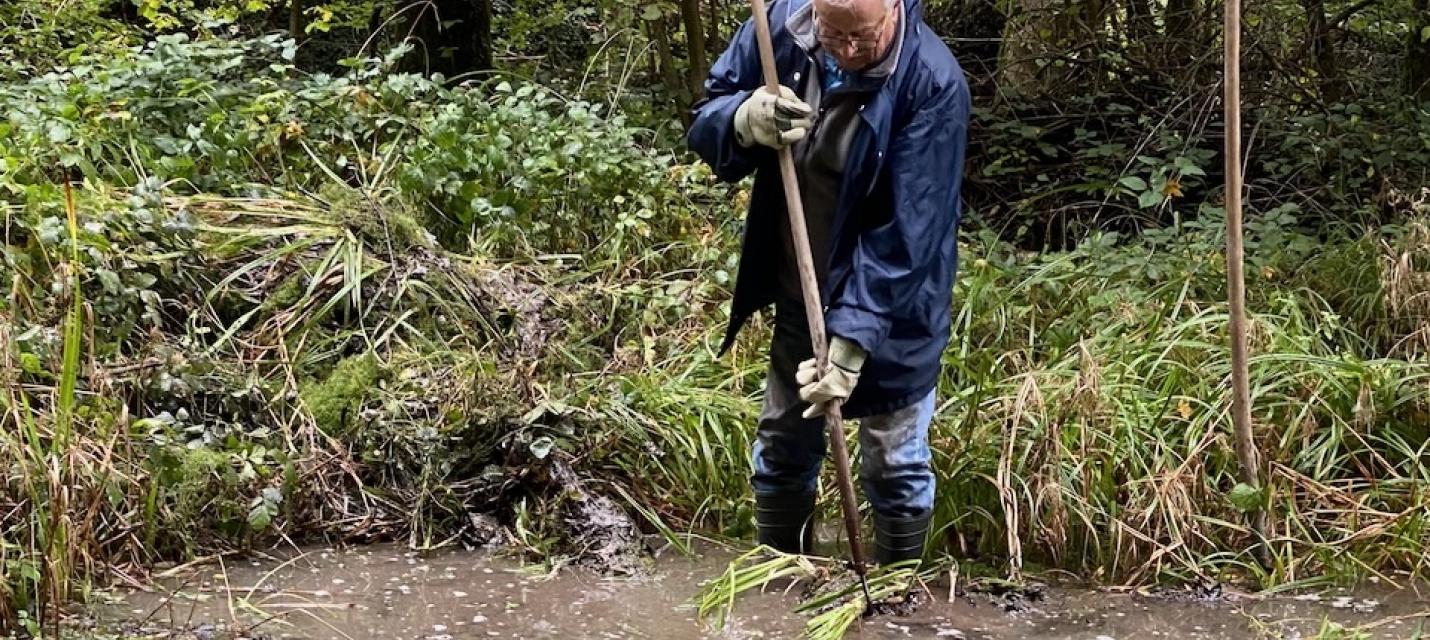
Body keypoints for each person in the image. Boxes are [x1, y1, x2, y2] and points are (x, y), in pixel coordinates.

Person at [685, 0, 971, 566]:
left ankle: (894, 594)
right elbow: (705, 115)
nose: (843, 49)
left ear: (894, 9)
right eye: (832, 32)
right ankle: (778, 586)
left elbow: (908, 234)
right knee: (785, 443)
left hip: (898, 306)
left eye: (860, 38)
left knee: (893, 463)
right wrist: (743, 119)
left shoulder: (933, 83)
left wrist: (850, 344)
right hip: (801, 283)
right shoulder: (778, 31)